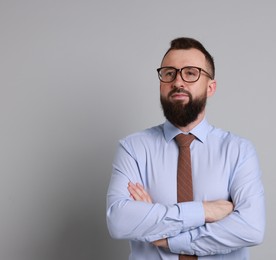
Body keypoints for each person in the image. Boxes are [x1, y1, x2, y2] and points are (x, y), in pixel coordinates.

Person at [106, 37, 265, 259]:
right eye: (169, 73)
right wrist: (205, 211)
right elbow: (119, 221)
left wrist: (165, 238)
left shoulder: (238, 151)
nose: (178, 82)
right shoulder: (133, 148)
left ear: (211, 87)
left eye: (191, 73)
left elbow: (251, 228)